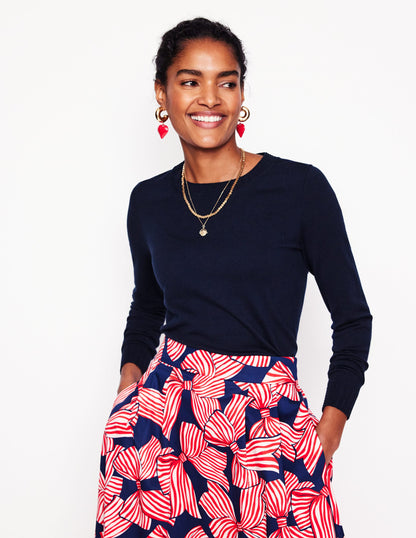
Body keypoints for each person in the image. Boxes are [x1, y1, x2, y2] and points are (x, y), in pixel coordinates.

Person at [95, 17, 372, 538]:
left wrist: (330, 426)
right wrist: (129, 385)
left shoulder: (300, 190)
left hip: (267, 422)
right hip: (163, 425)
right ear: (162, 94)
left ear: (242, 94)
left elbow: (354, 318)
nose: (210, 98)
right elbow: (148, 305)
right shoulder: (148, 201)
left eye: (227, 81)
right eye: (190, 81)